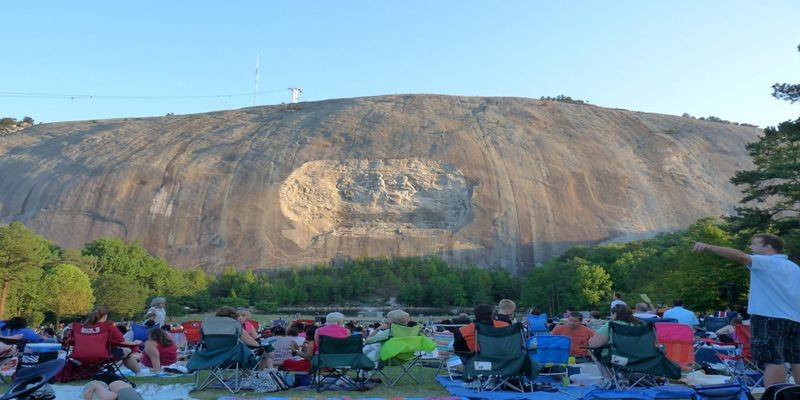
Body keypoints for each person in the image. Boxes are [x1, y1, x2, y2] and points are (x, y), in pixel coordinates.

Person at [693, 234, 800, 387]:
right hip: (796, 319)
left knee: (773, 360)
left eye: (754, 244)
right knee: (797, 360)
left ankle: (774, 397)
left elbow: (740, 256)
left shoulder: (767, 262)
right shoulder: (795, 267)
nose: (751, 247)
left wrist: (709, 247)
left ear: (768, 247)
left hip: (769, 317)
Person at [81, 306, 143, 374]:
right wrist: (136, 343)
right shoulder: (109, 327)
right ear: (104, 316)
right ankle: (139, 373)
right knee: (127, 351)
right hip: (102, 356)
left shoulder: (81, 328)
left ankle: (96, 371)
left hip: (81, 355)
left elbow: (71, 342)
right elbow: (122, 341)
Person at [209, 306, 273, 370]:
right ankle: (261, 372)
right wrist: (261, 345)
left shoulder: (210, 327)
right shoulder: (236, 326)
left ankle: (261, 371)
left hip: (212, 358)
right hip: (233, 358)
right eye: (236, 316)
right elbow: (253, 343)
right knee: (267, 348)